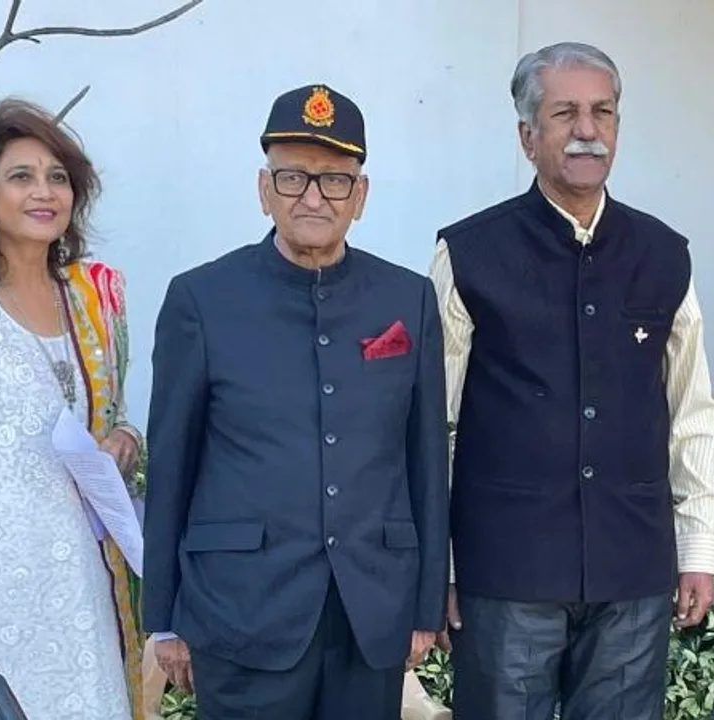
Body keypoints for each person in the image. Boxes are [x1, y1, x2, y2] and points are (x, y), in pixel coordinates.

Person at [429, 42, 714, 719]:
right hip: (504, 571)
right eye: (565, 113)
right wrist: (440, 569)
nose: (588, 130)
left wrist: (699, 548)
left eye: (603, 112)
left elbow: (693, 414)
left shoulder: (663, 255)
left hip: (633, 568)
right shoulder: (468, 253)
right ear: (527, 136)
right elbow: (431, 425)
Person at [142, 83, 449, 720]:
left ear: (360, 197)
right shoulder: (202, 300)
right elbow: (173, 463)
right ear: (264, 189)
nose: (313, 197)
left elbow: (425, 462)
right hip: (240, 609)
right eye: (293, 178)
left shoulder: (407, 299)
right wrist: (164, 619)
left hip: (371, 609)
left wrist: (423, 607)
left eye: (335, 180)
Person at [0, 98, 145, 719]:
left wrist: (123, 440)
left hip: (78, 584)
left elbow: (114, 416)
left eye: (58, 177)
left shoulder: (88, 303)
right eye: (21, 176)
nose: (45, 192)